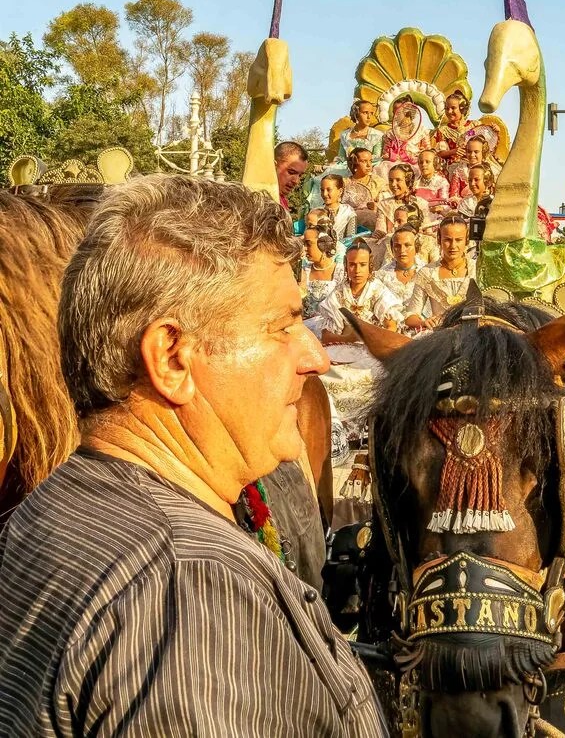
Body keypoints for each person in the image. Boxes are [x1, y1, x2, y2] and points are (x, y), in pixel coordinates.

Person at [0, 176, 386, 737]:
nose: (317, 359)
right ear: (173, 358)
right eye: (282, 325)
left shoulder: (47, 510)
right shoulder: (193, 593)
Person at [405, 214, 474, 331]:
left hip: (474, 335)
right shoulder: (427, 273)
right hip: (440, 336)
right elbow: (411, 315)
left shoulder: (477, 269)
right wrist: (424, 322)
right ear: (438, 239)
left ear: (466, 240)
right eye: (447, 240)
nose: (453, 246)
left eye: (458, 240)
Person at [375, 226, 426, 323]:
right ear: (392, 249)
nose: (402, 250)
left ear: (416, 247)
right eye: (397, 246)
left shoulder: (427, 272)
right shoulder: (381, 276)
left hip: (421, 325)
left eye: (407, 245)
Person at [300, 226, 343, 324]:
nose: (305, 248)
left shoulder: (340, 272)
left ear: (324, 244)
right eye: (304, 244)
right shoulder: (303, 271)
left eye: (308, 244)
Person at [374, 163, 429, 239]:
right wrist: (379, 234)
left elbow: (427, 230)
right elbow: (380, 230)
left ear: (408, 181)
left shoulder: (421, 203)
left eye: (398, 180)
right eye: (391, 180)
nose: (393, 184)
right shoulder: (384, 204)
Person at [342, 147, 387, 232]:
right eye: (364, 161)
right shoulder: (344, 183)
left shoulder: (378, 182)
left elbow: (387, 204)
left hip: (373, 224)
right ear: (355, 163)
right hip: (347, 222)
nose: (369, 165)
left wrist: (377, 205)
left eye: (370, 161)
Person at [337, 100, 384, 166]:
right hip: (346, 167)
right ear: (356, 114)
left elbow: (376, 158)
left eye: (371, 113)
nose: (369, 117)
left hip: (369, 167)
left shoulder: (377, 135)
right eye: (365, 113)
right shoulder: (345, 135)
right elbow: (341, 158)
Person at [320, 173, 357, 240]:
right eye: (322, 190)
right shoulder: (316, 213)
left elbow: (350, 240)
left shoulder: (348, 213)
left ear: (340, 191)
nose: (324, 194)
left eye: (329, 190)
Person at [274, 141, 309, 211]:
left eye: (300, 175)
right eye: (291, 172)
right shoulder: (255, 199)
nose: (296, 181)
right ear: (273, 166)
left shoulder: (282, 201)